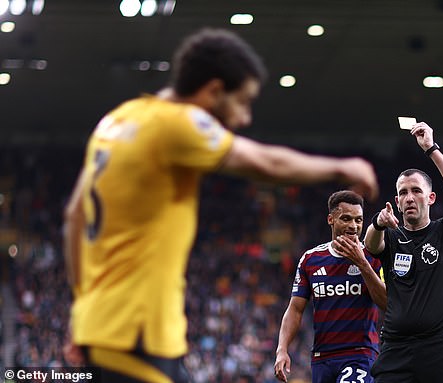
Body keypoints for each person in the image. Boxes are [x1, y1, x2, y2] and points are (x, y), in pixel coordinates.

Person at [62, 28, 379, 383]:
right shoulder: (176, 122)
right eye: (242, 102)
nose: (244, 119)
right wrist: (340, 168)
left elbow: (75, 216)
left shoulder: (119, 119)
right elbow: (265, 164)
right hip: (135, 331)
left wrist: (82, 307)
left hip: (109, 325)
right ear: (213, 91)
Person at [363, 122, 443, 383]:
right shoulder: (390, 236)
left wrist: (431, 148)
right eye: (403, 193)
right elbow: (369, 245)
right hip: (395, 349)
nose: (409, 197)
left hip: (438, 348)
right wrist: (378, 221)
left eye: (416, 191)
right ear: (397, 202)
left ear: (431, 198)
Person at [274, 190, 387, 383]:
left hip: (360, 355)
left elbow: (387, 302)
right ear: (330, 219)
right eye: (346, 218)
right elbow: (295, 309)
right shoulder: (310, 260)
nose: (353, 226)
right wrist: (282, 349)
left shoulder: (373, 257)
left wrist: (362, 264)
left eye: (358, 220)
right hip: (322, 358)